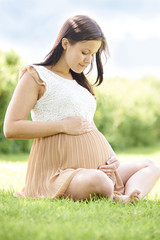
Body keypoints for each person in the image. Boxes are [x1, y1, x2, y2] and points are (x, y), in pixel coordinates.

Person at [4, 15, 160, 202]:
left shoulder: (80, 83)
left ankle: (129, 197)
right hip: (58, 173)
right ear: (65, 43)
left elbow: (88, 124)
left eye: (93, 54)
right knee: (98, 181)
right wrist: (63, 126)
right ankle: (114, 195)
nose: (88, 60)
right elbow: (11, 128)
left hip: (98, 169)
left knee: (151, 166)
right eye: (85, 52)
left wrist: (112, 156)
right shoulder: (36, 75)